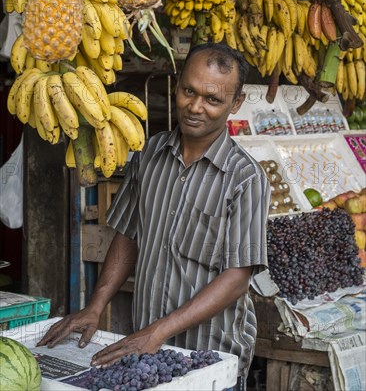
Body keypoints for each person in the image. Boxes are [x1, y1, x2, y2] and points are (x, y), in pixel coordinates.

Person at [38, 43, 270, 389]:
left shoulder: (245, 177)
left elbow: (237, 276)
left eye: (212, 99)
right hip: (148, 350)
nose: (195, 107)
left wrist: (158, 331)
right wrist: (95, 305)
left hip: (208, 355)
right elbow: (128, 235)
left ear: (235, 104)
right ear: (177, 85)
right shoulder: (149, 155)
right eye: (188, 91)